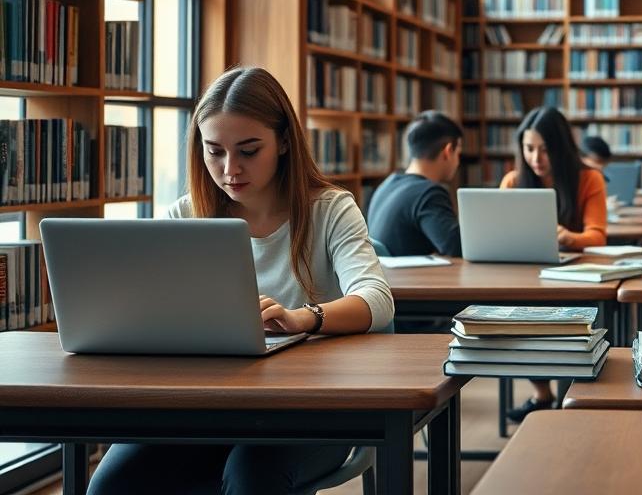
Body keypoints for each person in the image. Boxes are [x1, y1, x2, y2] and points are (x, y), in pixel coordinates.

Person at [88, 67, 395, 495]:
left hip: (315, 407)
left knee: (253, 476)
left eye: (249, 151)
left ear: (284, 141)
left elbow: (377, 300)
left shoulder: (329, 209)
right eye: (214, 151)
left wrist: (304, 318)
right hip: (208, 406)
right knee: (111, 484)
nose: (230, 169)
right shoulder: (186, 214)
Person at [500, 107, 608, 421]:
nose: (536, 158)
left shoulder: (588, 178)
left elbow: (597, 235)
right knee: (515, 313)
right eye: (529, 148)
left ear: (561, 149)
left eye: (545, 150)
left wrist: (569, 237)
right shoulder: (512, 181)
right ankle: (543, 393)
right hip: (525, 276)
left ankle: (572, 395)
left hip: (574, 277)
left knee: (543, 315)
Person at [367, 111, 464, 256]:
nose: (458, 161)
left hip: (385, 276)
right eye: (458, 154)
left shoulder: (386, 185)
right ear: (448, 151)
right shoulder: (429, 193)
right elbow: (459, 249)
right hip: (408, 278)